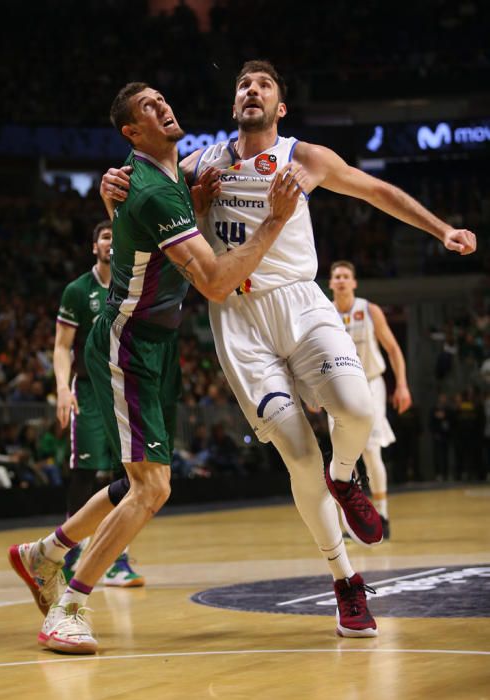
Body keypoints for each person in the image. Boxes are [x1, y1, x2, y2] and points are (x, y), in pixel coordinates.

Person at [101, 60, 477, 639]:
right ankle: (346, 581)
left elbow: (377, 191)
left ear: (280, 109)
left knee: (356, 411)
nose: (251, 90)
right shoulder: (200, 163)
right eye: (243, 85)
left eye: (264, 86)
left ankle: (346, 475)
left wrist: (441, 229)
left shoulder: (306, 158)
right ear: (234, 106)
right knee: (298, 456)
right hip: (240, 320)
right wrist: (112, 190)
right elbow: (144, 213)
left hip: (302, 302)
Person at [8, 79, 307, 654]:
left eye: (163, 98)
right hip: (129, 341)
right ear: (131, 132)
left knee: (134, 480)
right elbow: (217, 283)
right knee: (152, 488)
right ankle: (68, 606)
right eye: (149, 106)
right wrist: (274, 221)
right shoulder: (148, 190)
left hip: (155, 343)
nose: (164, 105)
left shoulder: (169, 177)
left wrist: (192, 205)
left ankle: (43, 553)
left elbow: (159, 242)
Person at [53, 220, 144, 587]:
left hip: (124, 387)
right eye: (105, 237)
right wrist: (62, 388)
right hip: (89, 390)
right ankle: (70, 550)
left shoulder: (132, 287)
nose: (110, 243)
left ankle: (115, 557)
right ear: (95, 247)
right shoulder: (78, 290)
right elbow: (62, 346)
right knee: (86, 471)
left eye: (115, 237)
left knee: (128, 475)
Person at [328, 260, 412, 539]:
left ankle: (383, 514)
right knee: (342, 456)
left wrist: (401, 384)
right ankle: (350, 521)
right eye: (336, 276)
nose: (341, 280)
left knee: (371, 449)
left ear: (354, 283)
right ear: (330, 284)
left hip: (371, 382)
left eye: (345, 276)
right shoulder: (324, 312)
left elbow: (393, 349)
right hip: (338, 387)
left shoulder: (369, 309)